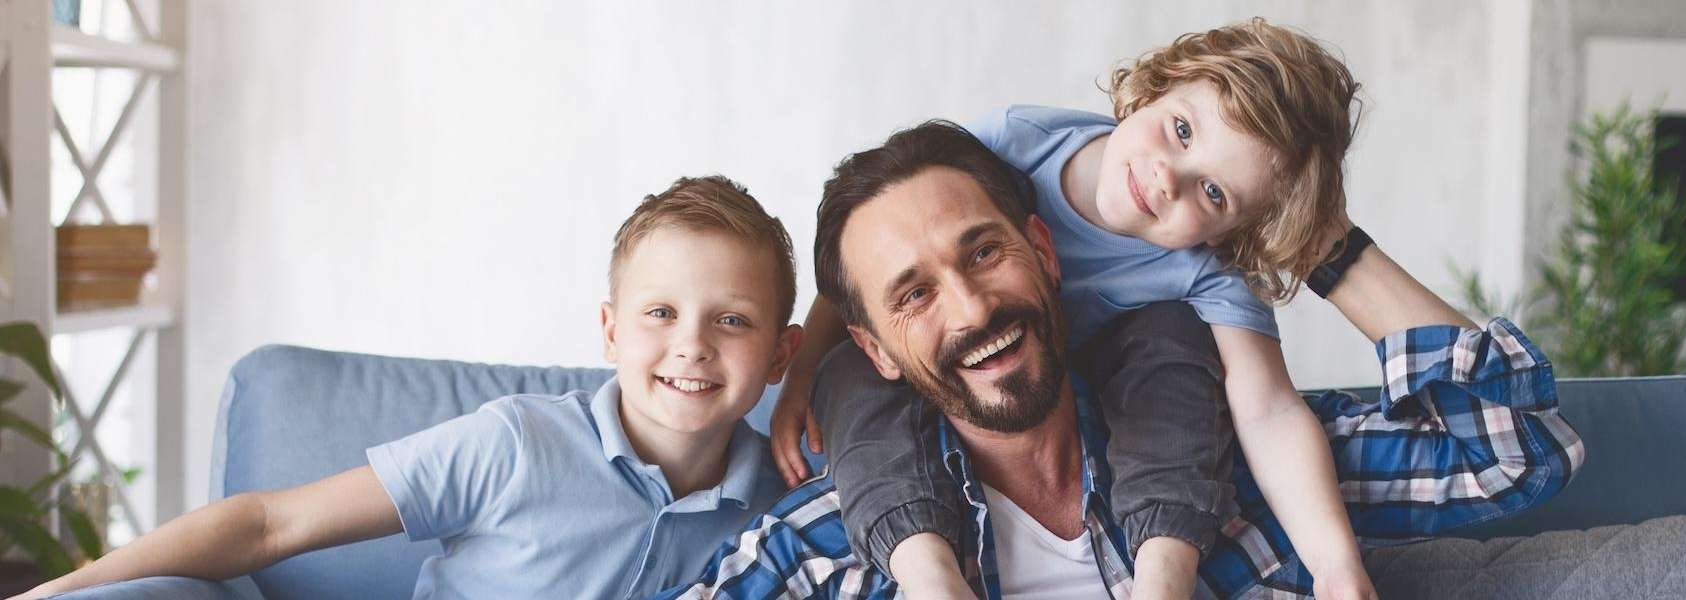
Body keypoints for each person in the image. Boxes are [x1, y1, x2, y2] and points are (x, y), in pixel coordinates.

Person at [662, 120, 1581, 599]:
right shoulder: (830, 546)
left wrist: (1312, 235)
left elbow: (1512, 448)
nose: (973, 308)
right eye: (915, 294)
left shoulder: (1237, 462)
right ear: (874, 351)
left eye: (984, 251)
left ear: (1044, 252)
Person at [772, 19, 1372, 598]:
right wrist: (803, 375)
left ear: (1232, 234)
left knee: (1170, 337)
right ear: (1152, 90)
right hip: (950, 392)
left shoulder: (1208, 274)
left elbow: (1271, 412)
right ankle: (929, 575)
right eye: (1182, 131)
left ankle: (1162, 570)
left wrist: (1336, 568)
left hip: (1091, 399)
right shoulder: (1021, 138)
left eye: (1215, 193)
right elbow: (874, 233)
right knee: (852, 371)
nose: (1167, 178)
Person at [20, 176, 805, 599]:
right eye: (659, 312)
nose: (692, 345)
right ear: (608, 330)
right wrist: (69, 588)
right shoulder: (516, 446)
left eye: (732, 321)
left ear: (780, 355)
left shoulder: (789, 500)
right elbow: (266, 525)